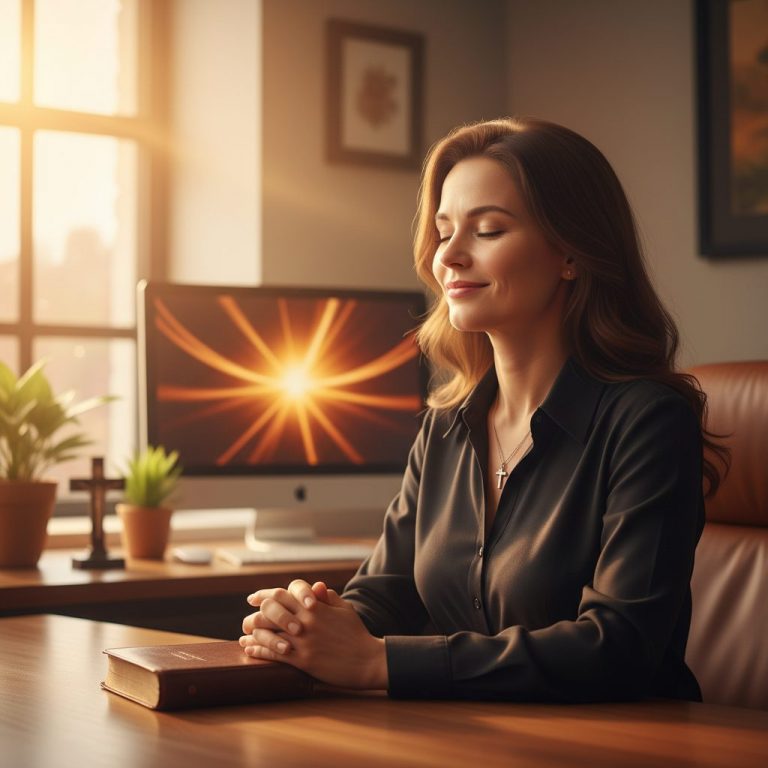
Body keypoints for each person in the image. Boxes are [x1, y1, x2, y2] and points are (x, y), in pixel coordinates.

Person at [239, 117, 728, 702]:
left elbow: (619, 646)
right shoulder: (446, 427)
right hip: (469, 741)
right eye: (443, 232)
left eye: (488, 230)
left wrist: (379, 663)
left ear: (571, 254)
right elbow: (386, 593)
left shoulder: (647, 422)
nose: (449, 257)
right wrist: (304, 623)